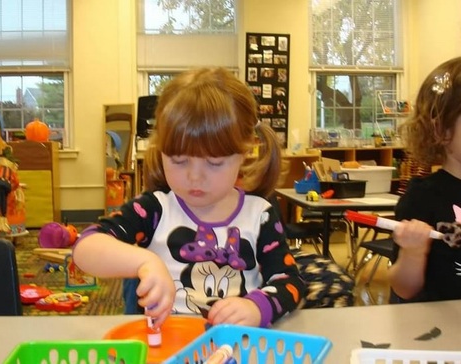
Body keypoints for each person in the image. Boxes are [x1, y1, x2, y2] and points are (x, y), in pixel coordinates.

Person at [73, 67, 305, 328]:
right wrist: (145, 261)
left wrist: (256, 307)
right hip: (167, 349)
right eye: (179, 160)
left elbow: (289, 281)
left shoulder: (259, 215)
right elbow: (85, 247)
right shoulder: (155, 209)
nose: (195, 177)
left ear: (244, 150)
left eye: (214, 163)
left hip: (234, 349)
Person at [389, 56, 461, 302]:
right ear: (440, 130)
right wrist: (413, 253)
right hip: (441, 331)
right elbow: (404, 289)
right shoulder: (424, 196)